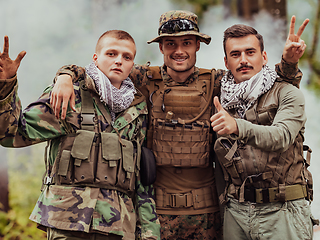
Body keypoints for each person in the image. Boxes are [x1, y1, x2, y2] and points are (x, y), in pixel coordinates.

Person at [50, 11, 308, 239]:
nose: (179, 50)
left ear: (197, 45)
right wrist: (66, 75)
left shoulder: (219, 81)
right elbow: (102, 70)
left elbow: (262, 81)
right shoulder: (143, 77)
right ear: (161, 48)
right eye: (170, 44)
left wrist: (288, 63)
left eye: (186, 42)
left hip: (207, 211)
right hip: (157, 212)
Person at [0, 30, 160, 240]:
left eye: (126, 57)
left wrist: (150, 233)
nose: (119, 61)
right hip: (69, 223)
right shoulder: (70, 96)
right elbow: (10, 133)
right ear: (96, 58)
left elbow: (141, 182)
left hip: (119, 227)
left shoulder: (138, 109)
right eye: (111, 54)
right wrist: (4, 85)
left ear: (133, 64)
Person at [210, 23, 317, 239]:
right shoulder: (221, 98)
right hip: (236, 212)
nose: (243, 60)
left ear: (264, 56)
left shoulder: (287, 93)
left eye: (250, 52)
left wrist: (237, 126)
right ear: (226, 62)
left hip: (282, 212)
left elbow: (281, 137)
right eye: (235, 54)